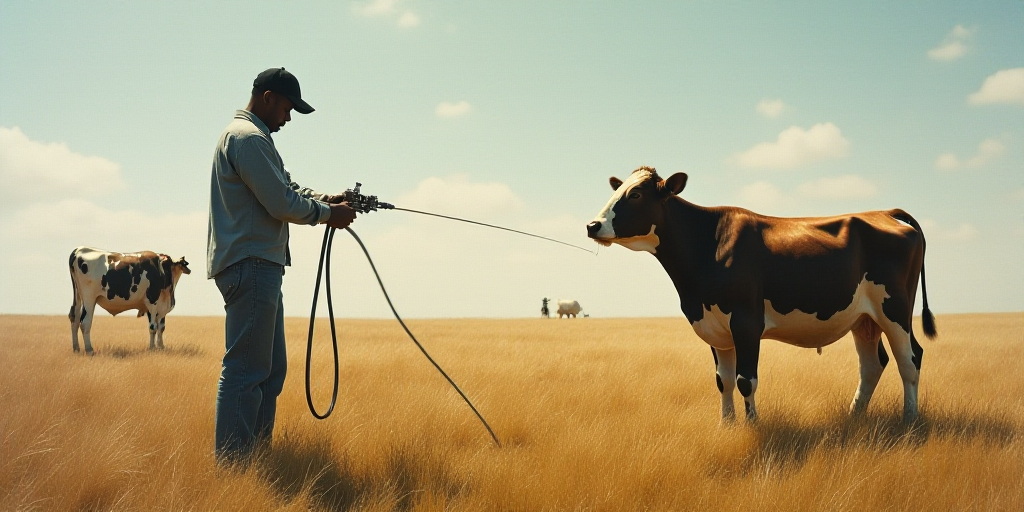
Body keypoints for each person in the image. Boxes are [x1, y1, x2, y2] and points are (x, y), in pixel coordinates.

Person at [207, 67, 356, 464]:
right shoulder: (249, 139)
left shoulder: (253, 139)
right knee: (246, 372)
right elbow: (281, 203)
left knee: (270, 372)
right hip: (252, 266)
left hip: (259, 267)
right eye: (288, 108)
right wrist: (329, 215)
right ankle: (234, 470)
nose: (288, 119)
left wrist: (331, 199)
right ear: (268, 97)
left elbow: (287, 188)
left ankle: (255, 460)